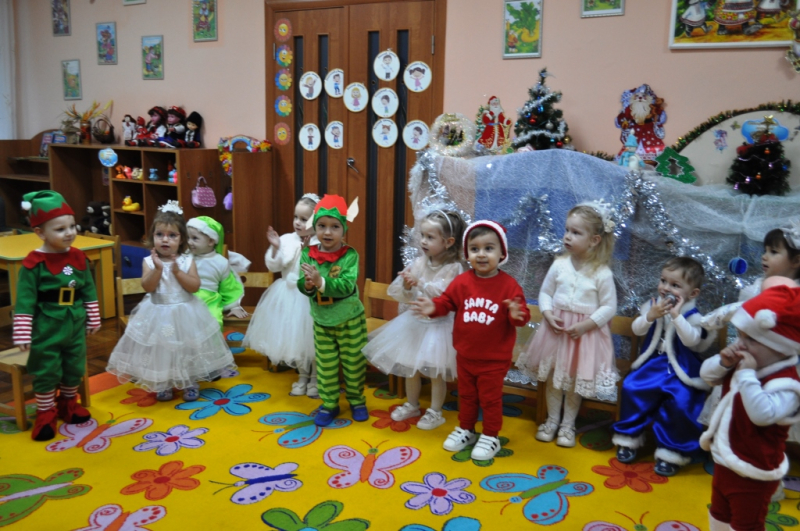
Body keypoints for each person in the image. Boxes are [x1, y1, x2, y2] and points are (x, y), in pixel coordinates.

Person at [412, 220, 530, 460]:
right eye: (475, 249)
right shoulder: (463, 281)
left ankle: (491, 435)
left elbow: (521, 317)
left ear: (502, 253)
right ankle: (466, 429)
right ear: (467, 254)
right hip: (465, 355)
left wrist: (517, 314)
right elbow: (446, 302)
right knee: (466, 396)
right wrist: (433, 307)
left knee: (490, 399)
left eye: (489, 248)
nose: (481, 254)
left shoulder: (509, 286)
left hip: (494, 359)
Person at [106, 201, 235, 402]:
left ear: (181, 239)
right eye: (160, 234)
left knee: (187, 348)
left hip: (185, 312)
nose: (165, 239)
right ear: (152, 237)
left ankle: (190, 381)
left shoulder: (187, 261)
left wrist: (177, 272)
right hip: (158, 312)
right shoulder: (149, 261)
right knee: (161, 350)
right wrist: (158, 269)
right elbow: (148, 287)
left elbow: (194, 286)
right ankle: (164, 383)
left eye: (172, 235)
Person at [516, 201, 618, 448]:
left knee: (573, 381)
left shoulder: (602, 272)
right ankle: (552, 420)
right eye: (567, 230)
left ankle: (567, 425)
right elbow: (545, 293)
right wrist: (548, 313)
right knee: (554, 377)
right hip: (556, 332)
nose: (568, 236)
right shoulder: (559, 264)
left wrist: (587, 325)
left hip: (583, 336)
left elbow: (609, 307)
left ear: (594, 240)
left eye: (576, 232)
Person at [700, 279, 800, 531]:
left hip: (755, 470)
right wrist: (723, 363)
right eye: (740, 335)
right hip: (725, 458)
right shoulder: (746, 361)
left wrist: (746, 375)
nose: (740, 344)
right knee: (719, 514)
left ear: (780, 347)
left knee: (747, 524)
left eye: (751, 339)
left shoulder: (787, 383)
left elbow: (762, 415)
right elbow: (707, 376)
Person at [612, 257, 717, 476]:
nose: (666, 288)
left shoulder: (694, 316)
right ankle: (628, 438)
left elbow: (692, 342)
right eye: (663, 281)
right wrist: (650, 316)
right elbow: (637, 329)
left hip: (681, 369)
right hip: (653, 364)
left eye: (675, 285)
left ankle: (672, 451)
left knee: (682, 400)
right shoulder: (653, 305)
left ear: (693, 293)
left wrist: (677, 317)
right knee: (632, 387)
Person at [363, 210, 466, 430]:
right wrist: (407, 285)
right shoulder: (419, 262)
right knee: (411, 368)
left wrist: (419, 283)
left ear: (448, 242)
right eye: (422, 235)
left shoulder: (454, 268)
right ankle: (412, 404)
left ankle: (435, 411)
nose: (423, 241)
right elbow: (402, 294)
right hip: (415, 324)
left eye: (430, 237)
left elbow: (445, 294)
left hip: (438, 328)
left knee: (436, 373)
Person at [13, 191, 101, 441]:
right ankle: (45, 413)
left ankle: (68, 404)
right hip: (47, 325)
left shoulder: (78, 257)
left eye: (72, 226)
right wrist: (22, 332)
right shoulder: (34, 263)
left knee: (74, 365)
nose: (70, 233)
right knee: (47, 368)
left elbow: (88, 289)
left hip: (74, 321)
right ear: (40, 233)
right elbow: (25, 300)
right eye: (60, 229)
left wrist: (93, 316)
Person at [297, 195, 368, 426]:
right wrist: (308, 285)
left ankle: (356, 400)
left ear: (344, 229)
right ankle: (329, 403)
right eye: (322, 226)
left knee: (354, 364)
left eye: (335, 227)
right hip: (322, 320)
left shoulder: (350, 255)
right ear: (314, 227)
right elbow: (302, 282)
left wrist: (321, 282)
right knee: (326, 366)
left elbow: (347, 286)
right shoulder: (308, 254)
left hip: (349, 319)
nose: (327, 232)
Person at [243, 194, 320, 398]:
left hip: (309, 297)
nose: (297, 222)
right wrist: (276, 247)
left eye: (304, 219)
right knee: (295, 339)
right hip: (288, 296)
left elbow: (320, 269)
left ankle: (315, 378)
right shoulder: (286, 239)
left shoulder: (320, 242)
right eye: (296, 217)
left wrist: (307, 251)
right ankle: (302, 376)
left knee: (312, 339)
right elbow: (273, 266)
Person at [185, 215, 247, 330]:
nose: (189, 242)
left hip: (210, 300)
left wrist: (234, 306)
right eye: (188, 237)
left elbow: (228, 286)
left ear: (211, 241)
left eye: (195, 238)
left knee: (213, 323)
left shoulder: (221, 262)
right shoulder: (185, 257)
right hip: (187, 297)